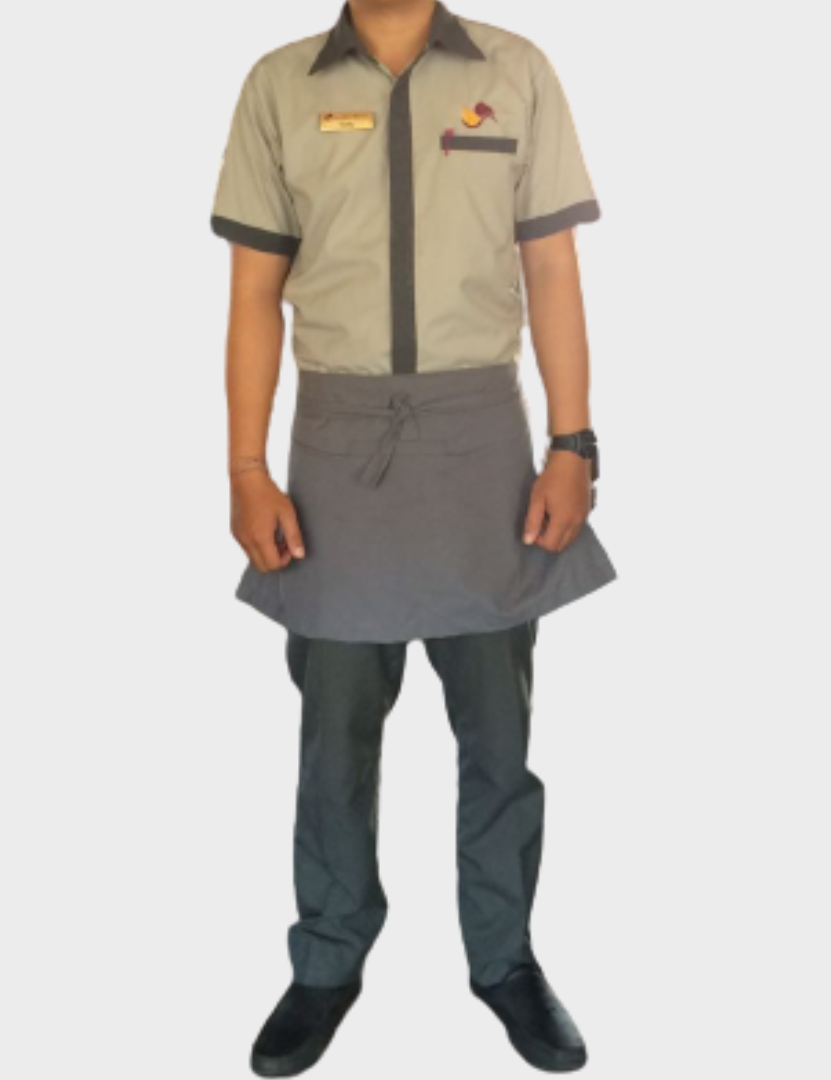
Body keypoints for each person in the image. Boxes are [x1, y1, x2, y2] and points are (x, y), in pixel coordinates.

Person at [209, 1, 616, 1073]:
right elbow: (254, 292)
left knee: (499, 734)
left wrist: (573, 443)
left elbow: (552, 267)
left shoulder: (516, 71)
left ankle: (505, 961)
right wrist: (247, 469)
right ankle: (327, 961)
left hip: (483, 450)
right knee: (334, 733)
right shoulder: (278, 85)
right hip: (337, 455)